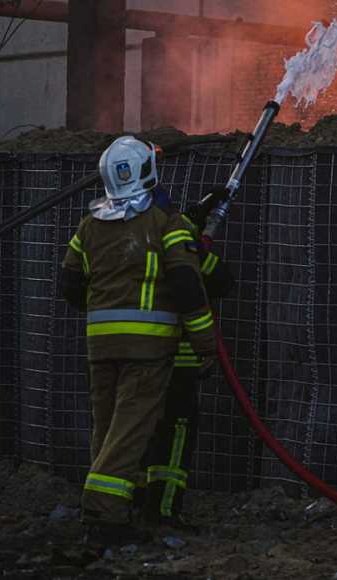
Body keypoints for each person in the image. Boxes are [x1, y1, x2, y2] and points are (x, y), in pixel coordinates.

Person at [58, 137, 219, 548]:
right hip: (147, 351)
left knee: (108, 429)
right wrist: (204, 340)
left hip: (100, 348)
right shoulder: (165, 223)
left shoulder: (89, 226)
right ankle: (103, 512)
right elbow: (187, 284)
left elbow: (70, 285)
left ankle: (113, 506)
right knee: (130, 430)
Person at [139, 187, 237, 531]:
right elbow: (219, 283)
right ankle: (163, 511)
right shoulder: (179, 245)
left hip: (129, 357)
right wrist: (196, 243)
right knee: (175, 432)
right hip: (175, 359)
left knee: (133, 430)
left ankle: (129, 506)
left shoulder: (116, 237)